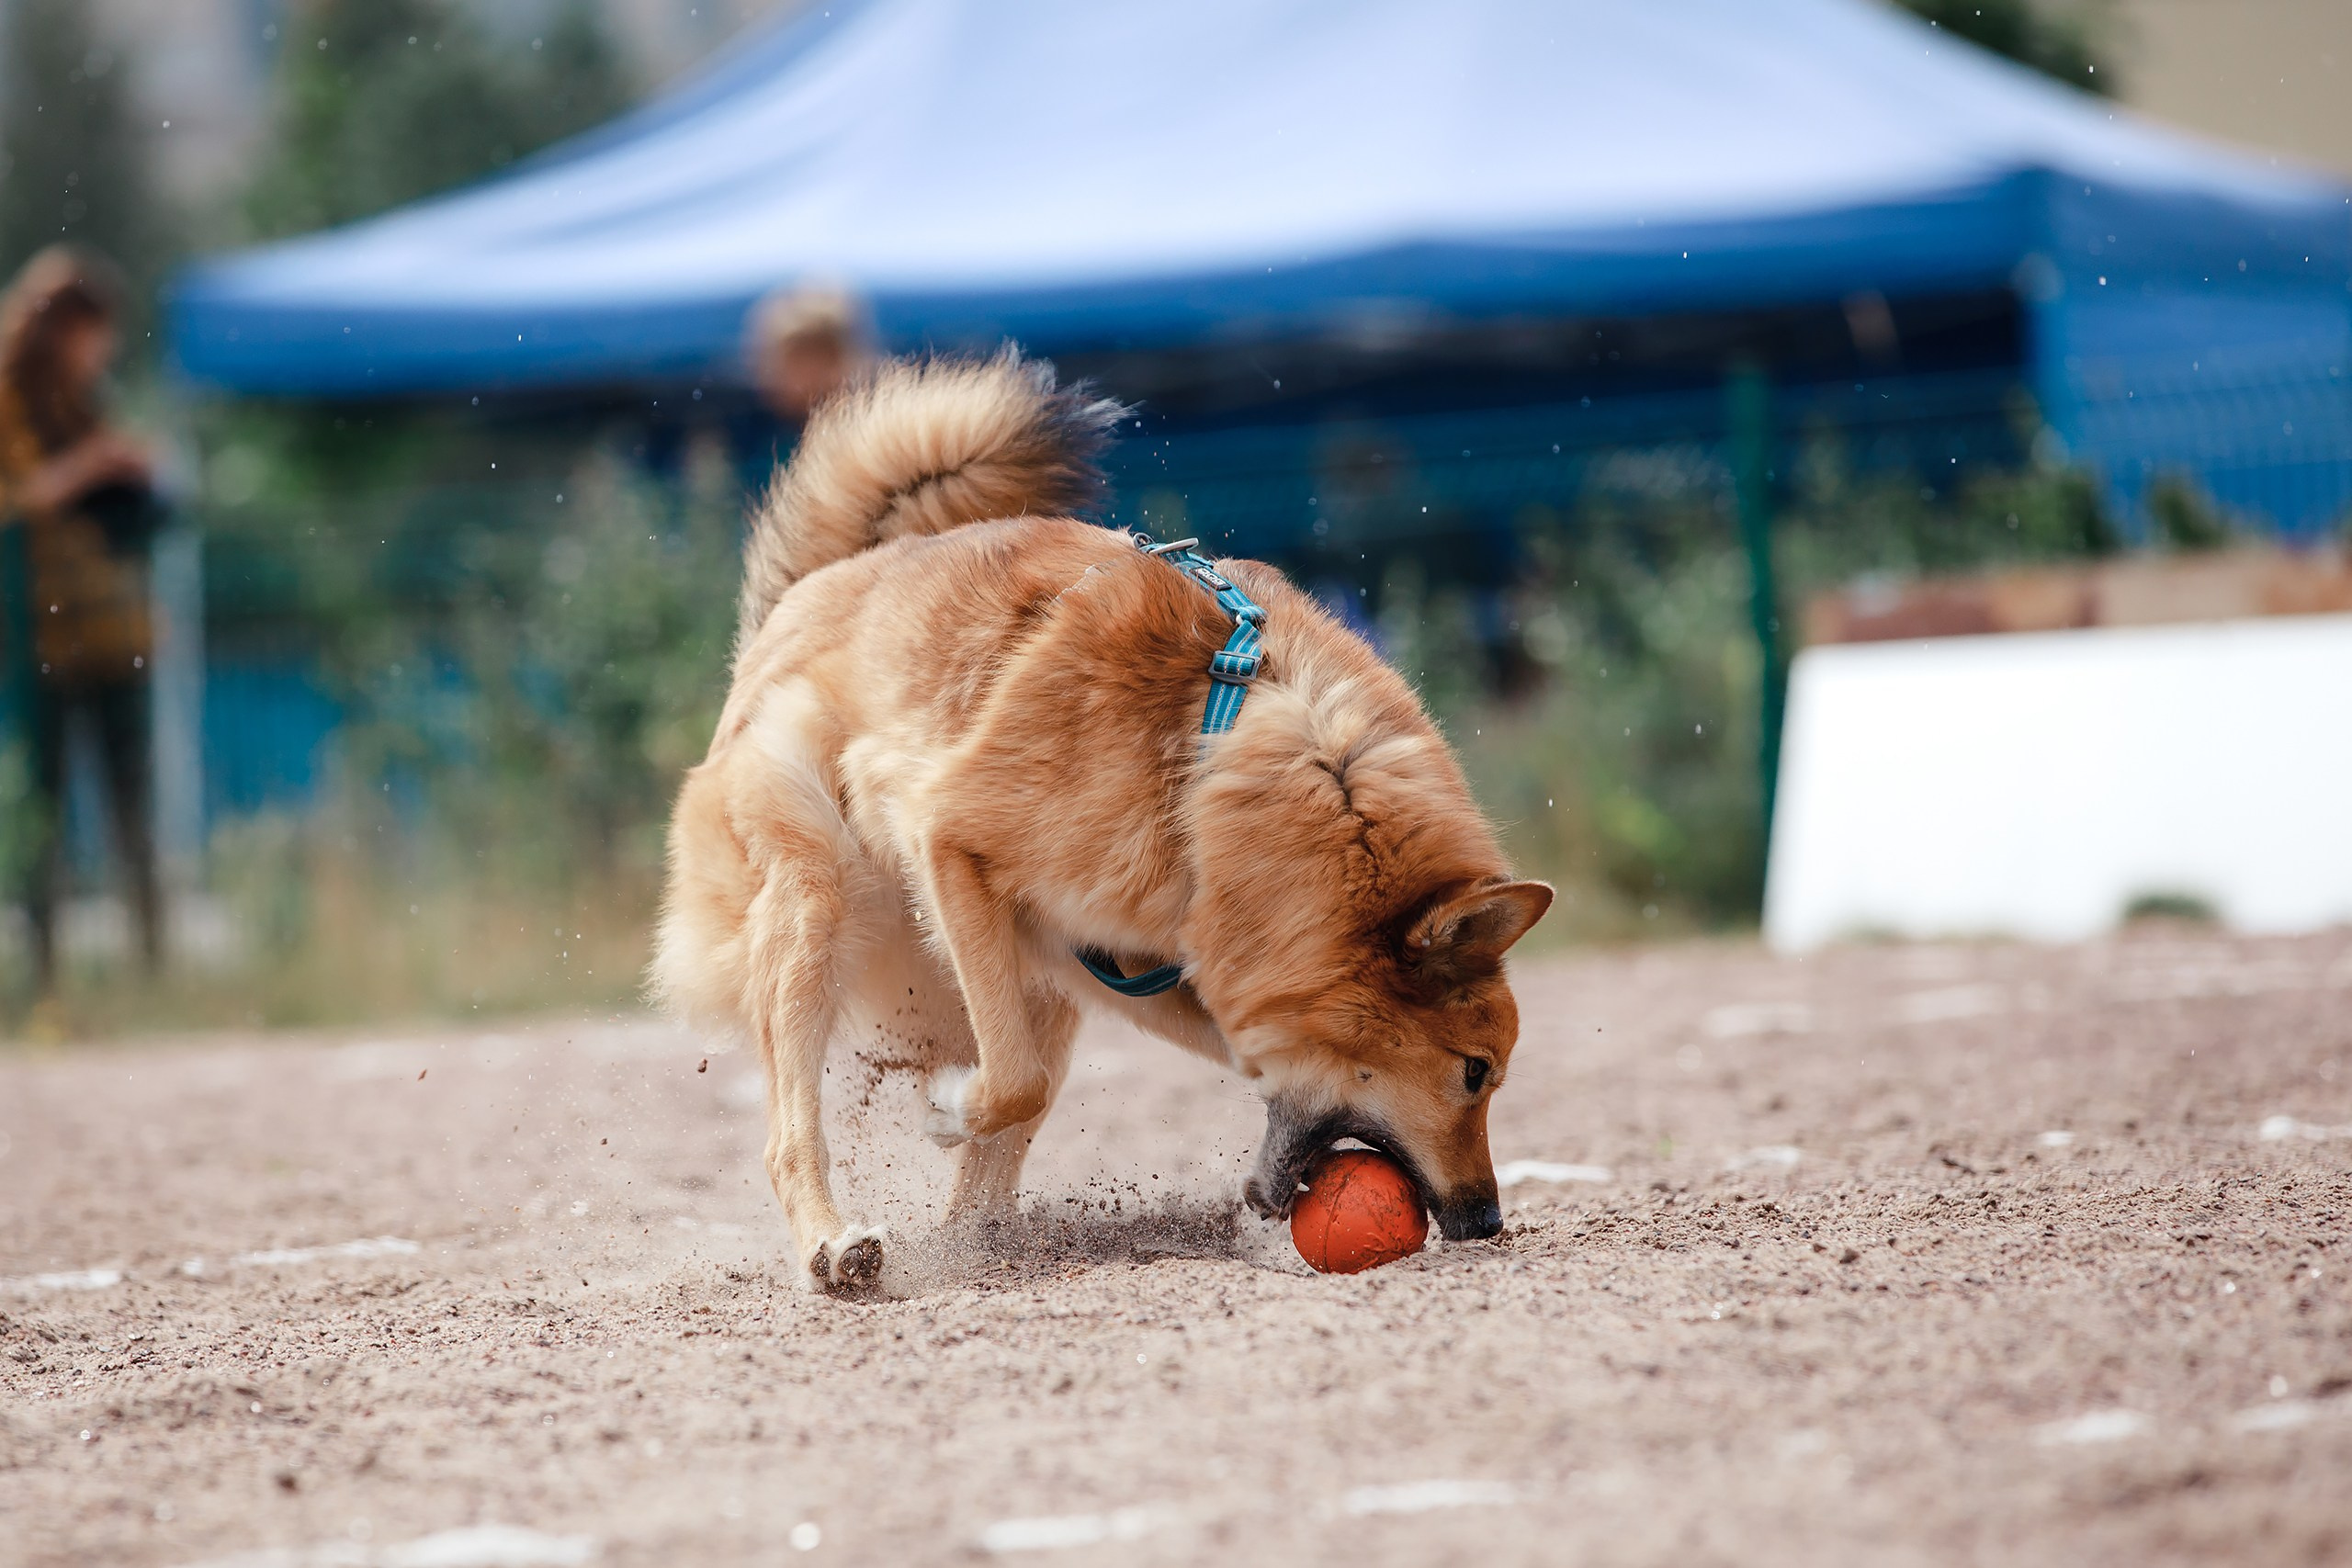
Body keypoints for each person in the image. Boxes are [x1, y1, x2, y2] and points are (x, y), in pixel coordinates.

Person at [0, 246, 164, 987]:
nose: (104, 351)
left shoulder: (86, 402)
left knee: (136, 809)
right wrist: (91, 468)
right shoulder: (10, 399)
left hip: (114, 627)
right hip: (42, 632)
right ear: (61, 328)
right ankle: (46, 978)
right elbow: (17, 497)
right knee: (47, 810)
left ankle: (153, 970)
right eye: (94, 333)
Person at [745, 281, 873, 429]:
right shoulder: (748, 436)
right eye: (798, 360)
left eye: (825, 357)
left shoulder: (868, 432)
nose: (812, 372)